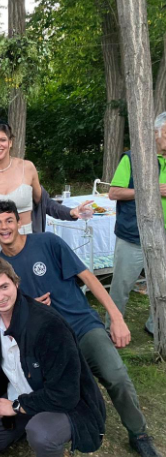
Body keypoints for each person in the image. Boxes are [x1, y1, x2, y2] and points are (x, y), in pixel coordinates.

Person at [0, 200, 161, 457]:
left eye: (8, 220)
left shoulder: (47, 242)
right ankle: (69, 428)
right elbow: (7, 311)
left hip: (82, 326)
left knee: (116, 377)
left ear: (19, 221)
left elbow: (87, 277)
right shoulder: (1, 268)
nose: (4, 227)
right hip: (51, 344)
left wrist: (116, 317)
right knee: (66, 391)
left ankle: (139, 433)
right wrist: (28, 307)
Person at [0, 257, 106, 456]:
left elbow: (65, 394)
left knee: (42, 433)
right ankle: (26, 423)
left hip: (63, 403)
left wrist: (17, 407)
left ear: (16, 283)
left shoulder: (48, 325)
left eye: (4, 286)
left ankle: (44, 428)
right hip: (20, 393)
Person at [0, 119, 92, 257]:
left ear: (10, 142)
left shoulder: (27, 168)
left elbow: (45, 203)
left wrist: (71, 212)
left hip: (27, 239)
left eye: (2, 140)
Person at [107, 111, 166, 336]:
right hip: (134, 235)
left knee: (163, 286)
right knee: (122, 286)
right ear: (155, 133)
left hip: (163, 235)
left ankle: (156, 325)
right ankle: (111, 327)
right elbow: (114, 192)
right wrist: (152, 190)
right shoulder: (133, 158)